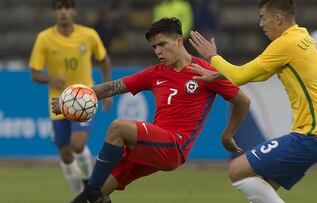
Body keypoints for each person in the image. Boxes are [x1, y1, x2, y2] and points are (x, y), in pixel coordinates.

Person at [51, 17, 250, 203]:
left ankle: (90, 187)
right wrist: (70, 100)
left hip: (174, 146)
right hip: (152, 146)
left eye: (162, 44)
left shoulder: (204, 72)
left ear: (179, 40)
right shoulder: (155, 74)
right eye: (154, 47)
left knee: (118, 127)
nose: (158, 51)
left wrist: (227, 134)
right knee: (99, 195)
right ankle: (94, 192)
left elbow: (242, 100)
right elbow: (112, 87)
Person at [188, 0, 317, 202]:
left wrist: (212, 57)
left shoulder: (285, 44)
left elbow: (240, 76)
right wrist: (219, 75)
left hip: (309, 136)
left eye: (262, 17)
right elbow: (258, 73)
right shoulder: (301, 36)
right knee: (263, 189)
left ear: (277, 19)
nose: (261, 24)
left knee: (236, 170)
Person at [28, 0, 112, 194]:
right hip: (58, 101)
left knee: (77, 144)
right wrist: (50, 78)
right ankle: (79, 194)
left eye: (67, 8)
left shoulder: (89, 35)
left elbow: (104, 59)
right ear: (54, 13)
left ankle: (92, 187)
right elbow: (35, 74)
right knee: (66, 154)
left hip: (84, 99)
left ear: (73, 12)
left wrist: (106, 90)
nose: (63, 12)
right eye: (59, 9)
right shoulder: (44, 38)